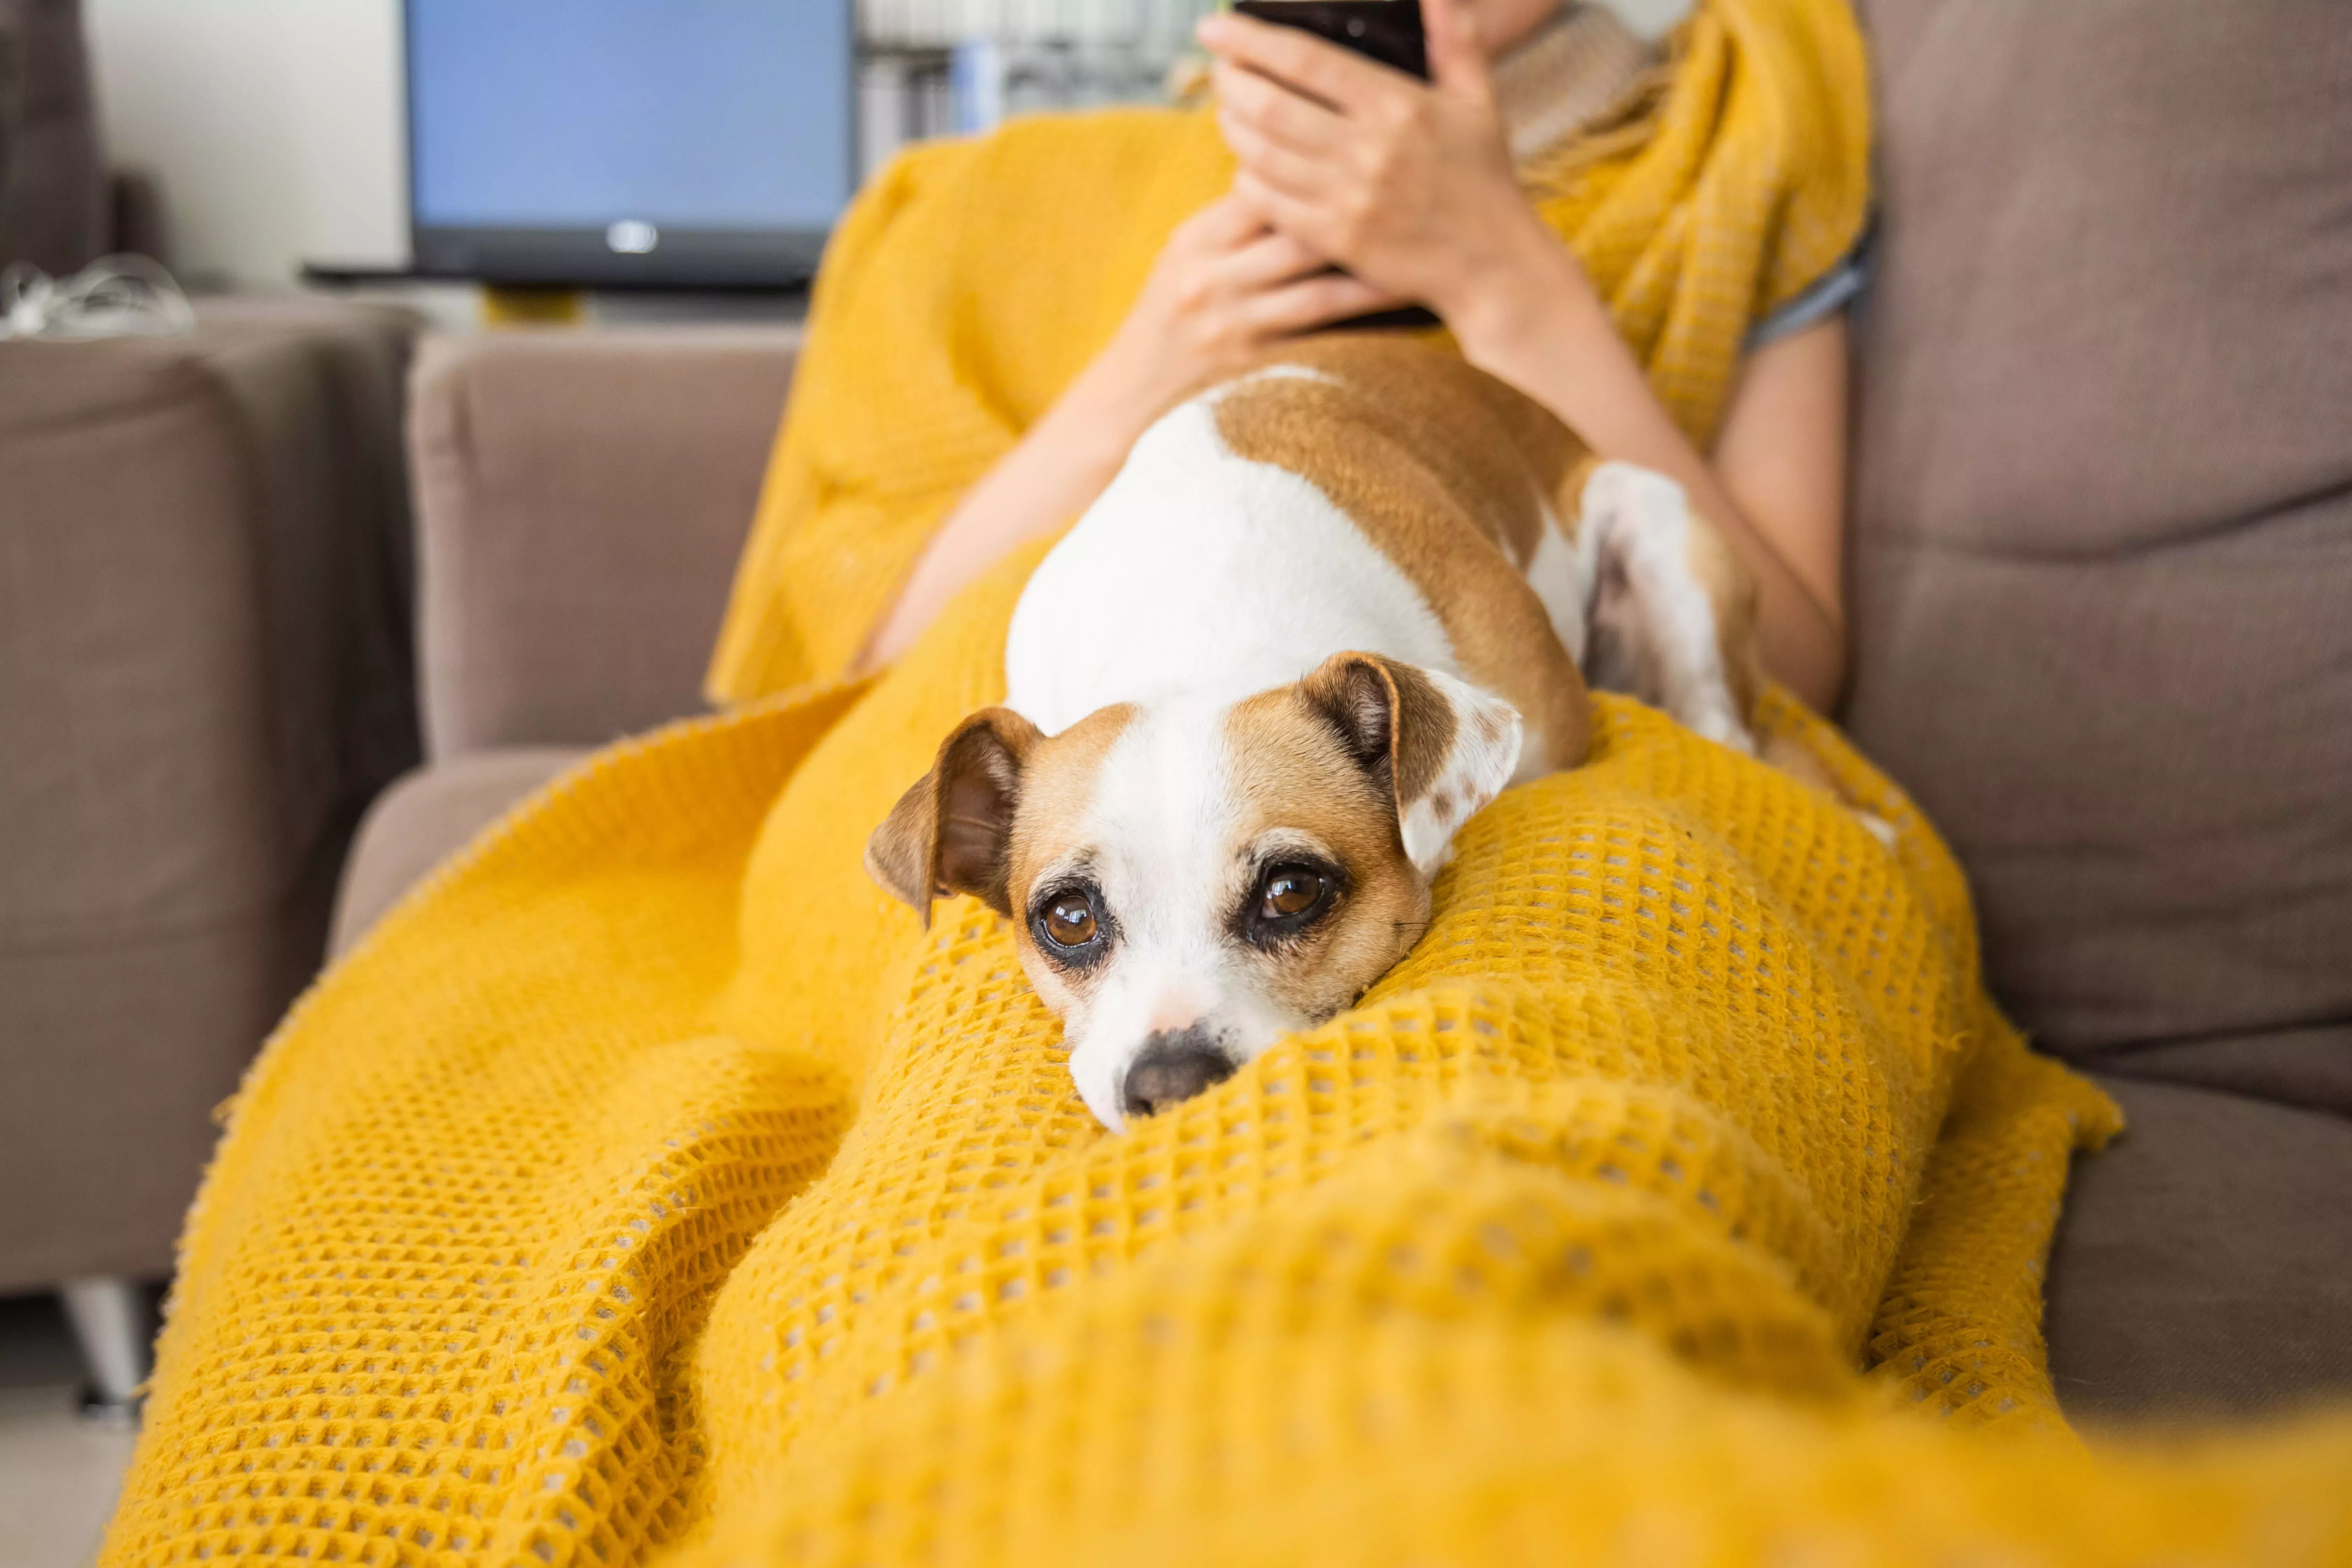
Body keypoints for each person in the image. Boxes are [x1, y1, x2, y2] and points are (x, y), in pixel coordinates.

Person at [858, 0, 1857, 714]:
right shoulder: (1013, 206)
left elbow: (1791, 679)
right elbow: (867, 684)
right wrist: (1140, 382)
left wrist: (1505, 281)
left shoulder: (1737, 147)